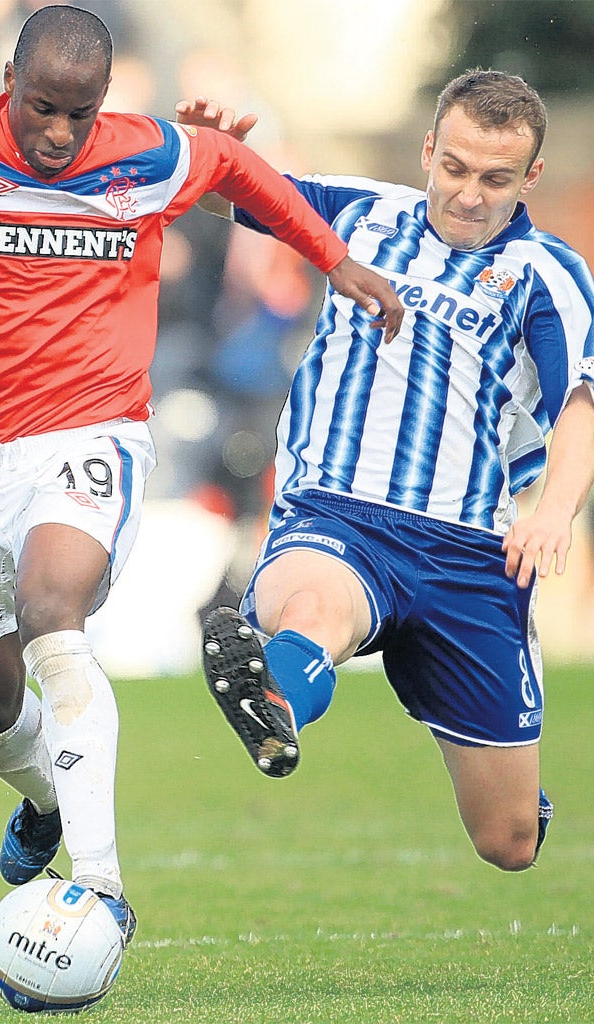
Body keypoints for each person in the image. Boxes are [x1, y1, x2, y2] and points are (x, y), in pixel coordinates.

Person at [0, 5, 402, 944]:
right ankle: (47, 797)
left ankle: (99, 886)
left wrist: (333, 260)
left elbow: (234, 165)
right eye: (43, 110)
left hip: (89, 433)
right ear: (9, 85)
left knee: (55, 609)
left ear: (103, 103)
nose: (60, 135)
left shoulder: (143, 156)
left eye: (79, 114)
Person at [177, 70, 594, 872]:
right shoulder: (362, 211)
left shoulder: (549, 275)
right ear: (431, 149)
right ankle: (273, 695)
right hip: (337, 514)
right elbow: (223, 196)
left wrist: (553, 510)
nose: (470, 194)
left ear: (529, 177)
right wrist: (208, 150)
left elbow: (581, 402)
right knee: (311, 611)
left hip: (468, 551)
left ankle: (299, 687)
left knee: (508, 843)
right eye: (457, 169)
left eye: (496, 179)